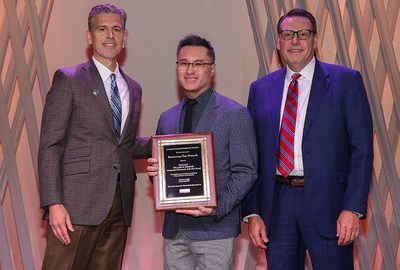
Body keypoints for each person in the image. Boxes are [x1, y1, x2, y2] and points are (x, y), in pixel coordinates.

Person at [241, 8, 373, 270]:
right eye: (287, 34)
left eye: (303, 34)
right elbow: (252, 155)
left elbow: (362, 150)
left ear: (315, 39)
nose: (295, 41)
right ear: (278, 42)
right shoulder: (260, 89)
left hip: (331, 207)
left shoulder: (346, 81)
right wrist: (253, 212)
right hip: (277, 208)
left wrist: (352, 209)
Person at [38, 4, 150, 269]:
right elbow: (50, 145)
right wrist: (53, 202)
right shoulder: (69, 79)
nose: (110, 35)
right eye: (102, 29)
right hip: (75, 205)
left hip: (119, 205)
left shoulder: (133, 88)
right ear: (89, 37)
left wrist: (166, 145)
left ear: (125, 37)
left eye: (116, 29)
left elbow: (124, 144)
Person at [147, 34, 257, 269]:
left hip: (215, 231)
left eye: (198, 64)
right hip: (175, 231)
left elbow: (246, 172)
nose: (190, 70)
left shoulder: (234, 114)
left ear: (212, 69)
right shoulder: (167, 118)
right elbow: (165, 172)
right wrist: (155, 173)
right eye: (184, 63)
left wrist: (216, 207)